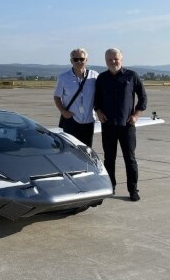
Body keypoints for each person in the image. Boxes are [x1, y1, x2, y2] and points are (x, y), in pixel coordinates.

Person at [93, 48, 147, 201]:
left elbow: (143, 97)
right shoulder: (102, 78)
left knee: (130, 158)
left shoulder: (132, 76)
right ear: (106, 61)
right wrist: (98, 111)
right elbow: (96, 99)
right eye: (110, 59)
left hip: (127, 125)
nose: (113, 61)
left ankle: (133, 189)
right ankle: (110, 186)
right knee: (109, 158)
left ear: (121, 60)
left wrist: (136, 115)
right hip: (108, 125)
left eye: (116, 59)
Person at [53, 48, 98, 147]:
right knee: (70, 150)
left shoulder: (94, 76)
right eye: (75, 59)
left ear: (86, 60)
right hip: (71, 119)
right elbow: (57, 96)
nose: (78, 61)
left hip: (89, 120)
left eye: (81, 59)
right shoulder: (63, 77)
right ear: (71, 61)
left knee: (87, 150)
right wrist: (63, 112)